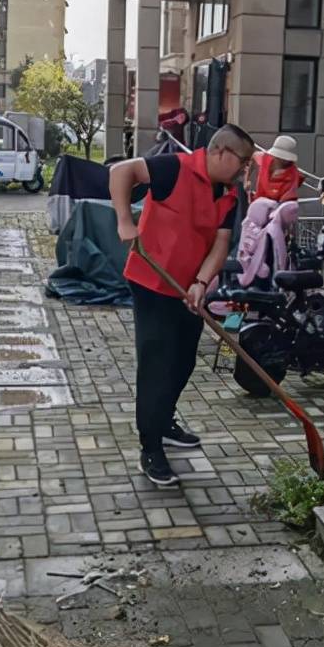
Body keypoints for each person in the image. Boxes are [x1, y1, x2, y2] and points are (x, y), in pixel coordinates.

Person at [109, 124, 256, 486]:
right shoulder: (173, 167)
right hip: (152, 281)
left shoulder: (229, 195)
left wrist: (201, 282)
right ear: (221, 152)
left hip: (188, 289)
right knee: (157, 364)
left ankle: (165, 419)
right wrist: (125, 221)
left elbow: (220, 245)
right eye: (242, 161)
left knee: (184, 360)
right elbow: (120, 172)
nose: (244, 170)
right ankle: (151, 445)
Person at [248, 135, 303, 204]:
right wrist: (246, 180)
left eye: (283, 158)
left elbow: (288, 200)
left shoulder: (293, 175)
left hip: (278, 208)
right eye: (278, 157)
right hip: (258, 204)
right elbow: (253, 157)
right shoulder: (265, 158)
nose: (279, 160)